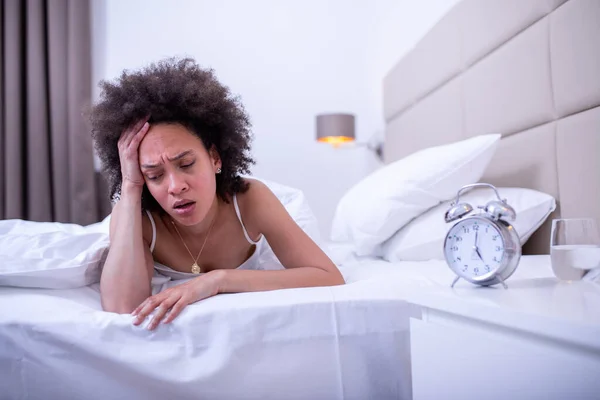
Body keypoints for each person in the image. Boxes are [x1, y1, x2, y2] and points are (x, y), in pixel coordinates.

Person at [90, 57, 344, 330]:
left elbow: (327, 275)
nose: (175, 186)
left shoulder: (251, 200)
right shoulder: (137, 215)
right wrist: (130, 186)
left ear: (214, 158)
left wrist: (218, 280)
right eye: (154, 175)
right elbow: (121, 308)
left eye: (186, 164)